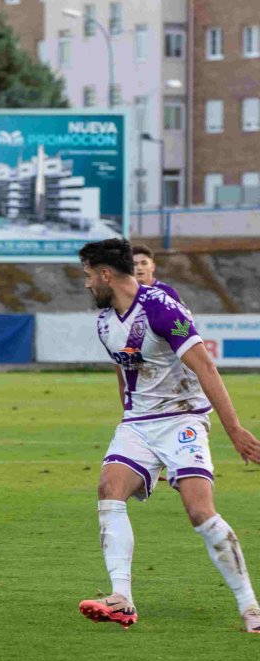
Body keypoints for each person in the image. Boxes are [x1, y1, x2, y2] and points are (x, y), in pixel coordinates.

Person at [76, 238, 260, 632]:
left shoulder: (161, 309)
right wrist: (130, 429)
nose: (88, 284)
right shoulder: (105, 320)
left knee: (199, 511)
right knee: (109, 489)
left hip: (183, 418)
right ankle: (121, 598)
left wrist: (234, 430)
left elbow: (206, 368)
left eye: (89, 275)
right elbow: (124, 372)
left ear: (106, 274)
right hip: (138, 423)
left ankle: (251, 608)